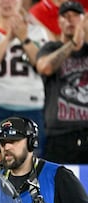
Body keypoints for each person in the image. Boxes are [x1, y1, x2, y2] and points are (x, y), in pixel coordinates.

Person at [0, 0, 48, 152]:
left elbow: (43, 66)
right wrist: (7, 38)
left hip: (30, 107)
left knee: (32, 164)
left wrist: (24, 38)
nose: (7, 2)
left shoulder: (37, 33)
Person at [36, 1, 88, 164]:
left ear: (83, 20)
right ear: (59, 22)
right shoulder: (50, 48)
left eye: (75, 16)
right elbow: (45, 68)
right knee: (57, 186)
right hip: (59, 135)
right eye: (65, 16)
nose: (70, 20)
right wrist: (72, 45)